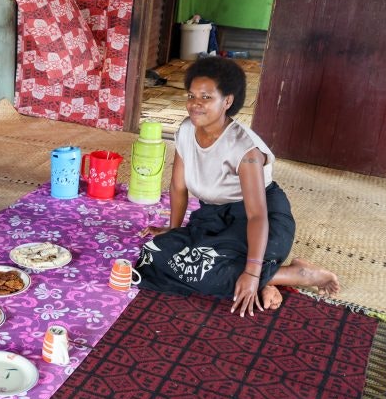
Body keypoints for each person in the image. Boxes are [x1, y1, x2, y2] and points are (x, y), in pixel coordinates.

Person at [137, 56, 339, 316]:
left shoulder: (245, 149)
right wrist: (174, 232)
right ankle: (274, 278)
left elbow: (257, 215)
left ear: (228, 101)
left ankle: (297, 274)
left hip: (260, 219)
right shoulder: (186, 130)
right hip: (214, 217)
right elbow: (178, 187)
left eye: (207, 97)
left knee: (208, 268)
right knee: (153, 255)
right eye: (191, 95)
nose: (195, 104)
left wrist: (253, 273)